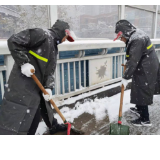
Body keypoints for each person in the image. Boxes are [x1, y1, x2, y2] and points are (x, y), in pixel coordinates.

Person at [0, 19, 75, 135]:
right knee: (16, 122)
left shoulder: (54, 47)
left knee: (33, 121)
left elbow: (49, 72)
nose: (65, 40)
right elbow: (13, 41)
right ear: (62, 32)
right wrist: (24, 63)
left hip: (36, 91)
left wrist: (49, 87)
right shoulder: (41, 34)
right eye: (66, 37)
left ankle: (53, 125)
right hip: (23, 87)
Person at [114, 19, 159, 127]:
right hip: (145, 65)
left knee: (142, 89)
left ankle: (145, 119)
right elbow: (134, 57)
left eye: (121, 37)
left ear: (125, 32)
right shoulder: (135, 35)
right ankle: (139, 108)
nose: (121, 40)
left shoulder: (137, 39)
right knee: (138, 86)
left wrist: (125, 77)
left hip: (146, 67)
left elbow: (133, 61)